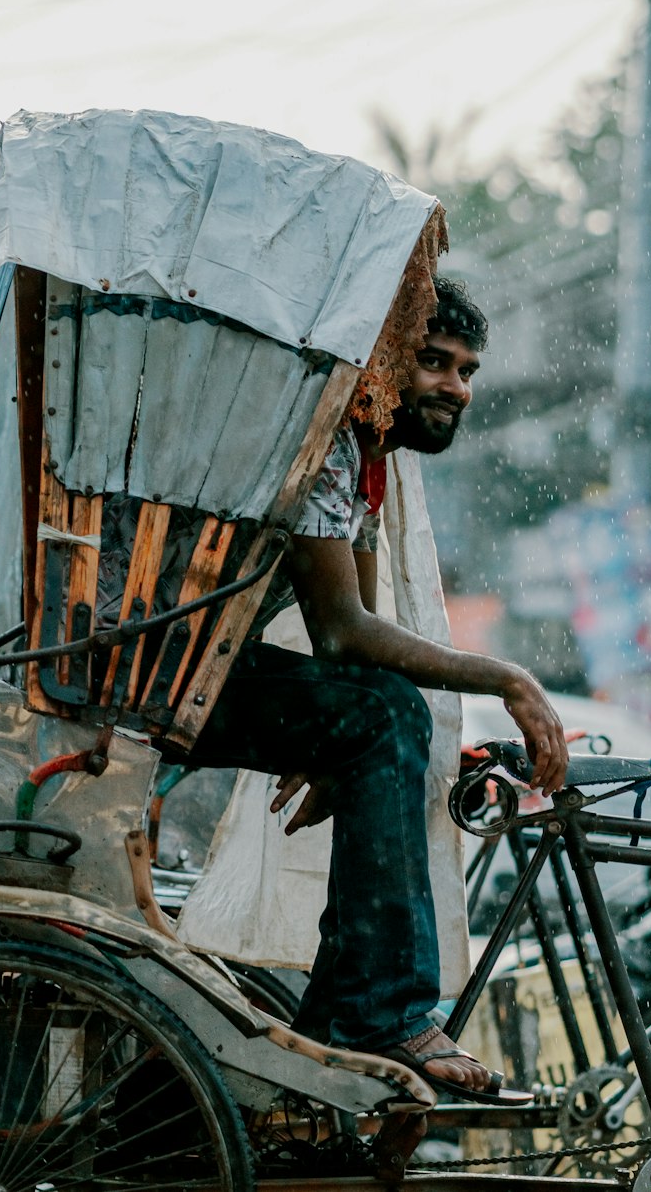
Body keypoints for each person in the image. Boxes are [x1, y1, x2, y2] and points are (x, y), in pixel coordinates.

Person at [187, 277, 568, 1104]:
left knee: (389, 710)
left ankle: (337, 1027)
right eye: (433, 362)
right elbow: (342, 632)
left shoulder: (363, 461)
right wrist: (510, 676)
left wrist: (339, 747)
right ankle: (382, 1014)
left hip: (200, 663)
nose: (455, 387)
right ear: (387, 359)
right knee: (387, 713)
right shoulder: (326, 440)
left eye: (468, 369)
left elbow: (357, 648)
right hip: (160, 663)